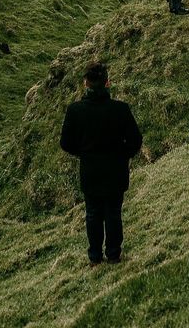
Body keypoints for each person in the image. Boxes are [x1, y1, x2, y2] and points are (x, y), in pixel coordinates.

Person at [60, 61, 142, 266]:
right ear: (107, 82)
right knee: (113, 212)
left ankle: (95, 256)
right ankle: (114, 254)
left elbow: (65, 143)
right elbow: (135, 140)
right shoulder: (120, 109)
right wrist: (123, 155)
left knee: (93, 213)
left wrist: (84, 154)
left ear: (85, 83)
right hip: (116, 169)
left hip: (90, 170)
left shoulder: (75, 110)